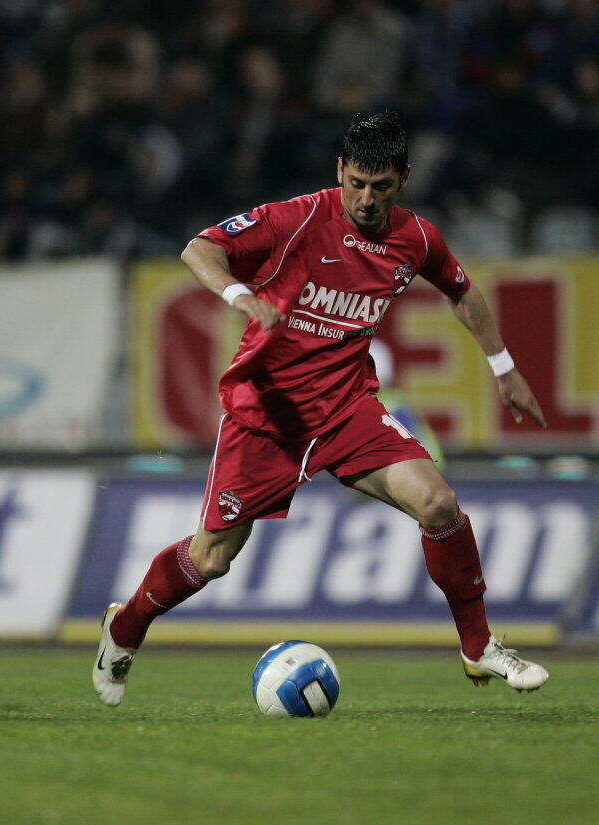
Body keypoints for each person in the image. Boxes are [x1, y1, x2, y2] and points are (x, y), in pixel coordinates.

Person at [94, 111, 549, 707]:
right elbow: (198, 249)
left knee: (438, 502)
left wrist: (504, 368)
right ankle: (124, 629)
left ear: (403, 180)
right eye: (356, 182)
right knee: (211, 558)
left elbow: (461, 291)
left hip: (345, 409)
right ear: (340, 170)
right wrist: (241, 295)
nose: (365, 198)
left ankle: (478, 647)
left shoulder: (415, 239)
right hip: (267, 414)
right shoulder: (299, 217)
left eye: (380, 187)